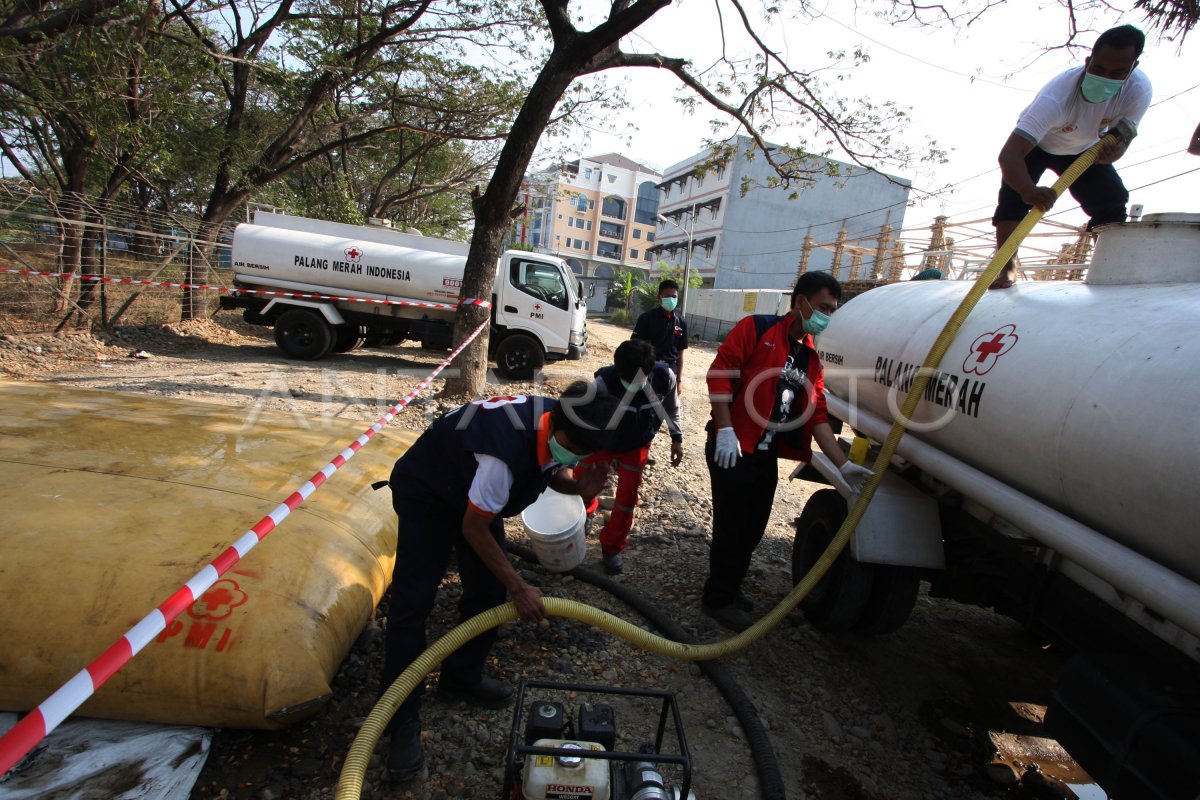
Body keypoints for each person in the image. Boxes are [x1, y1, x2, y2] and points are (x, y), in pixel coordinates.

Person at [380, 382, 615, 782]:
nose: (578, 457)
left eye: (584, 452)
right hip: (430, 492)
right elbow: (474, 528)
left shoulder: (556, 419)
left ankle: (461, 677)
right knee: (413, 603)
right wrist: (520, 587)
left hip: (469, 489)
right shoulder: (501, 456)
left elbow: (549, 466)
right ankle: (400, 720)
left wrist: (577, 485)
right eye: (574, 447)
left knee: (488, 592)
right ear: (556, 426)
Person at [702, 271, 873, 632]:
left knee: (753, 528)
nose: (827, 315)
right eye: (823, 307)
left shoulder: (811, 357)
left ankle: (731, 587)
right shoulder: (757, 328)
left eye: (832, 310)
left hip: (764, 453)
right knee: (732, 527)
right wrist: (725, 429)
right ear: (801, 302)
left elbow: (818, 416)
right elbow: (720, 374)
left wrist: (844, 467)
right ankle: (717, 599)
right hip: (732, 447)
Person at [991, 24, 1151, 289]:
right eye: (1099, 69)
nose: (1105, 76)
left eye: (1117, 72)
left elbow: (1123, 138)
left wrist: (1114, 153)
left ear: (1132, 68)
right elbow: (1009, 156)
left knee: (1111, 199)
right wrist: (1028, 190)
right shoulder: (1057, 97)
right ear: (1088, 62)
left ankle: (1109, 267)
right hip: (1038, 144)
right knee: (1013, 200)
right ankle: (1004, 269)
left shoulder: (1139, 90)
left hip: (1086, 148)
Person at [576, 339, 684, 575]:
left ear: (650, 370)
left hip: (637, 444)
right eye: (628, 381)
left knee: (627, 498)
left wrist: (677, 438)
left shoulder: (665, 378)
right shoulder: (604, 382)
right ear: (618, 371)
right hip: (604, 440)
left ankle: (612, 547)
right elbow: (588, 416)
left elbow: (672, 407)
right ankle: (584, 512)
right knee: (582, 480)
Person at [632, 279, 688, 393]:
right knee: (646, 407)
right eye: (667, 296)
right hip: (649, 371)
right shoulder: (646, 319)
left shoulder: (681, 322)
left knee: (668, 409)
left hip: (670, 373)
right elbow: (635, 348)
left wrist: (679, 381)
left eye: (674, 297)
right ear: (659, 297)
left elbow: (680, 354)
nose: (671, 300)